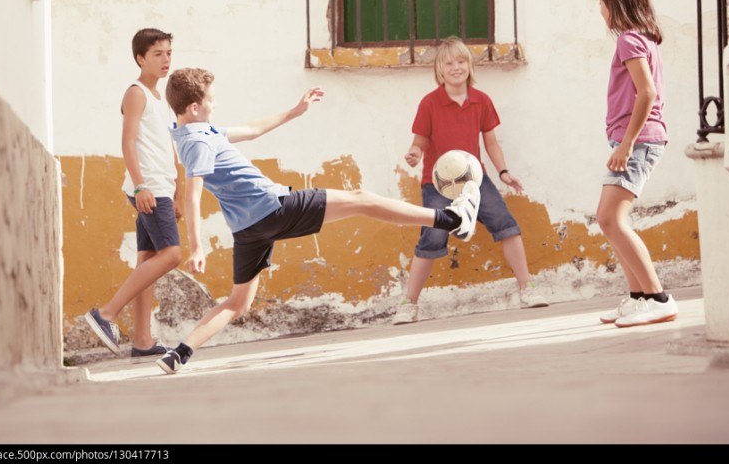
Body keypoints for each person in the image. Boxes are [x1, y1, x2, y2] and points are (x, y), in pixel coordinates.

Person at [155, 67, 482, 374]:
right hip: (274, 206)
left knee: (237, 302)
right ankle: (450, 218)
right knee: (362, 200)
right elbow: (192, 194)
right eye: (211, 99)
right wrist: (197, 247)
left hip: (248, 228)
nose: (215, 104)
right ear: (196, 107)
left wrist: (294, 112)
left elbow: (253, 131)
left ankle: (179, 353)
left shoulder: (190, 134)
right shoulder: (198, 142)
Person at [392, 36, 548, 326]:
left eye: (461, 61)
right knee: (433, 236)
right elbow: (419, 142)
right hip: (437, 184)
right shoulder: (429, 103)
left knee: (505, 223)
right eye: (448, 63)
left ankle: (527, 287)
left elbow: (491, 143)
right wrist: (414, 153)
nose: (456, 67)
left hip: (475, 181)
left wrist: (503, 172)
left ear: (469, 65)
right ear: (439, 70)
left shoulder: (481, 100)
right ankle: (408, 303)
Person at [83, 28, 183, 361]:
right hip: (149, 189)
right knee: (172, 255)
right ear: (140, 58)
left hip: (162, 187)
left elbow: (168, 147)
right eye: (158, 54)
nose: (165, 59)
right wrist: (141, 186)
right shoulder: (136, 93)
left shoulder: (160, 97)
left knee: (148, 260)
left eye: (168, 52)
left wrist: (178, 191)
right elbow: (128, 142)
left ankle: (142, 340)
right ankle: (106, 313)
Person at [593, 0, 678, 328]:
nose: (599, 10)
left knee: (610, 218)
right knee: (611, 220)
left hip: (637, 140)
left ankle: (658, 297)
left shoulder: (628, 40)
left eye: (601, 3)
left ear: (614, 4)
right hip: (636, 138)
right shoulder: (644, 39)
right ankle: (638, 297)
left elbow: (647, 92)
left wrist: (626, 144)